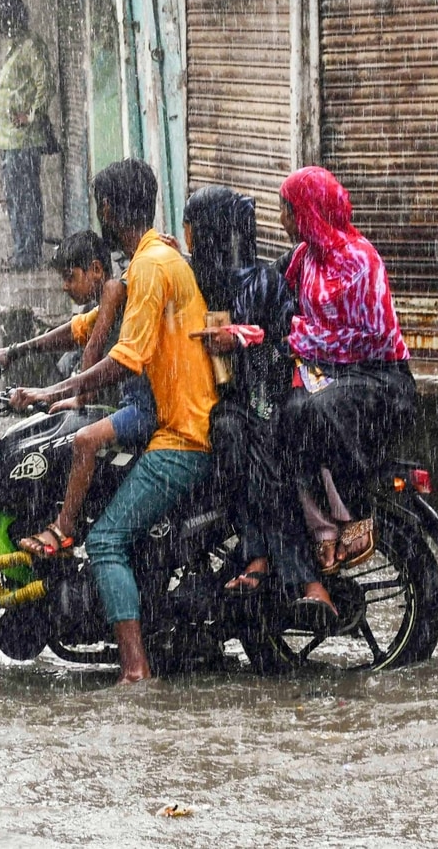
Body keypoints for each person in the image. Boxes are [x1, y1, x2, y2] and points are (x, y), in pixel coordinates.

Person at [8, 159, 216, 684]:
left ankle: (135, 670)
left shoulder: (148, 268)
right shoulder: (153, 260)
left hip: (179, 434)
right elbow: (86, 331)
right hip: (178, 419)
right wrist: (17, 356)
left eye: (99, 202)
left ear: (108, 209)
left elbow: (126, 359)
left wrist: (57, 390)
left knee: (104, 542)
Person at [276, 166, 416, 632]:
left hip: (378, 378)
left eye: (288, 209)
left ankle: (355, 510)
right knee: (287, 414)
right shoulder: (304, 258)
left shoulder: (361, 259)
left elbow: (373, 336)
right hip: (328, 373)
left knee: (319, 410)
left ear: (309, 212)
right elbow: (267, 287)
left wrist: (301, 338)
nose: (282, 218)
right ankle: (322, 526)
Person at [0, 231, 157, 554]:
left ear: (95, 269)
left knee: (79, 442)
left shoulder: (115, 289)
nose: (65, 286)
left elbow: (94, 352)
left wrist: (54, 393)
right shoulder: (108, 295)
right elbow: (76, 330)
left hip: (136, 406)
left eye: (70, 277)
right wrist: (13, 352)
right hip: (118, 404)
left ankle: (64, 528)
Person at [181, 186, 301, 596]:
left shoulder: (263, 282)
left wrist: (242, 343)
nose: (186, 235)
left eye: (190, 225)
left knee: (237, 439)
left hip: (261, 401)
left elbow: (290, 341)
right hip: (210, 400)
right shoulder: (192, 276)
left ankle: (258, 553)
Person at [0, 0, 54, 271]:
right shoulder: (18, 47)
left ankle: (27, 253)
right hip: (11, 141)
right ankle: (23, 250)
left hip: (22, 140)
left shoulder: (30, 47)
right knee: (18, 197)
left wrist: (32, 115)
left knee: (24, 198)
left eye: (2, 21)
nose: (0, 28)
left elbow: (45, 83)